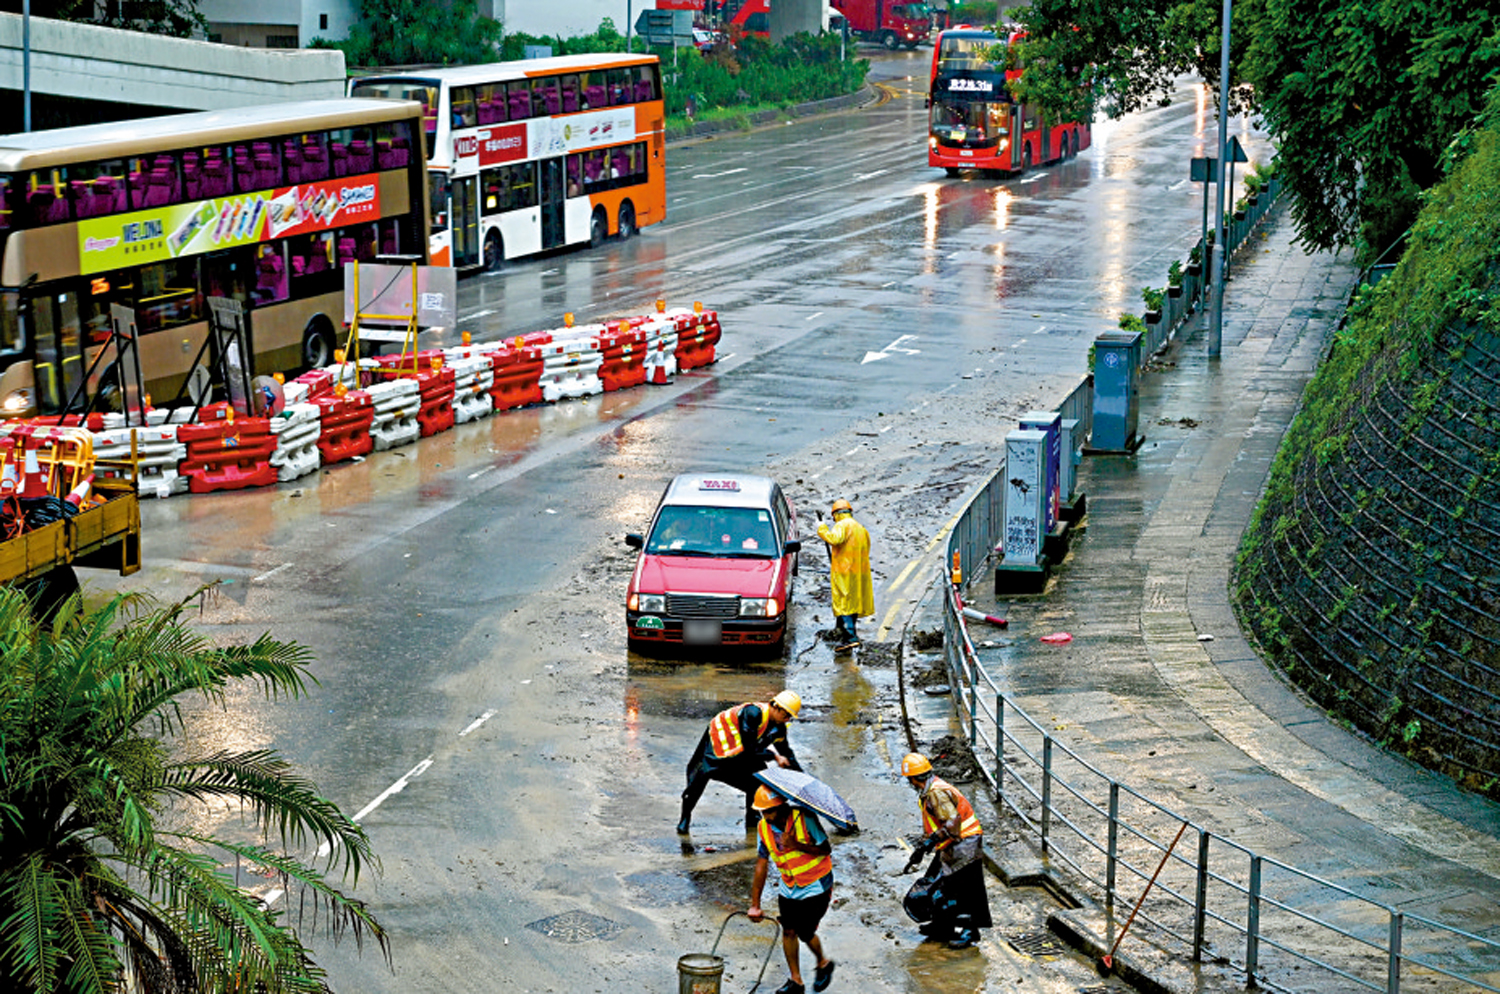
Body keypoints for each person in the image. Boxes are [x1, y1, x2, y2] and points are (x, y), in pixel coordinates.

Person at [747, 787, 837, 994]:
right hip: (789, 885)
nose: (765, 816)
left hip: (816, 883)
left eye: (769, 811)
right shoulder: (763, 827)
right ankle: (796, 981)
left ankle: (823, 963)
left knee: (805, 931)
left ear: (781, 806)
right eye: (762, 812)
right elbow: (762, 864)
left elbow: (826, 849)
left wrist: (796, 845)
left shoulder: (805, 818)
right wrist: (755, 904)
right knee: (788, 930)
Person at [899, 752, 992, 949]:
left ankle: (969, 931)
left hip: (965, 842)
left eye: (910, 779)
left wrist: (930, 842)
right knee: (941, 883)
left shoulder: (936, 793)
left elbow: (953, 824)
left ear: (914, 779)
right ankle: (942, 925)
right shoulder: (933, 788)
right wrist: (925, 847)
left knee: (961, 888)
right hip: (954, 843)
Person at [678, 691, 803, 834]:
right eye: (786, 715)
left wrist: (801, 775)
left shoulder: (778, 728)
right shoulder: (753, 713)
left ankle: (752, 817)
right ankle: (684, 818)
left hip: (740, 755)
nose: (787, 719)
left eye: (790, 717)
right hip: (716, 747)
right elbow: (749, 747)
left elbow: (786, 752)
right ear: (776, 707)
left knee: (758, 781)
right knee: (697, 781)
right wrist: (774, 756)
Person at [815, 499, 873, 652]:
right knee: (852, 601)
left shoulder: (843, 525)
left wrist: (821, 527)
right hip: (859, 571)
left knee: (844, 601)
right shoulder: (860, 528)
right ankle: (841, 631)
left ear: (836, 514)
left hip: (844, 571)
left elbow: (834, 539)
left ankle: (850, 637)